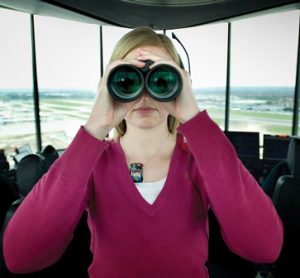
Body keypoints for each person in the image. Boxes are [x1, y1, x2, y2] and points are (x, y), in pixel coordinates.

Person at [3, 26, 283, 277]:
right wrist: (94, 128)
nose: (145, 93)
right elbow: (21, 256)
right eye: (127, 80)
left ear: (181, 85)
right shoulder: (91, 162)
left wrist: (195, 119)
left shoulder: (199, 159)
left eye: (160, 79)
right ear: (107, 87)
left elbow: (263, 247)